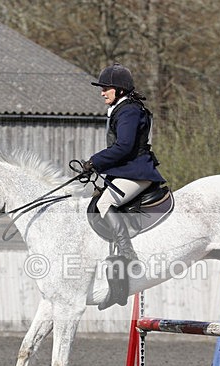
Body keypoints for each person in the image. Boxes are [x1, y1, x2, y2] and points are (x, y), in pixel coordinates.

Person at [83, 63, 164, 262]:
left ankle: (128, 254)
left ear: (119, 90)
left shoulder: (129, 111)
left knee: (104, 203)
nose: (102, 93)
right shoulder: (122, 109)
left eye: (106, 88)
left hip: (137, 173)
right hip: (128, 172)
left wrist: (95, 161)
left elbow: (124, 147)